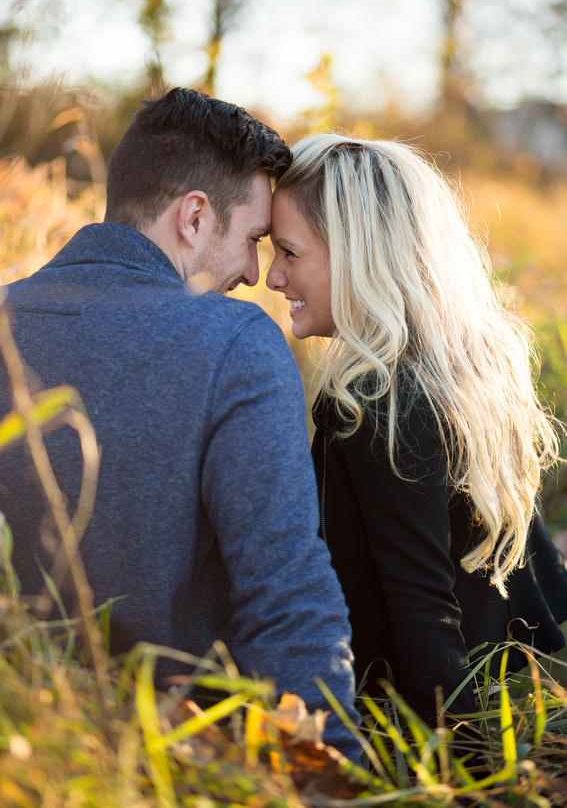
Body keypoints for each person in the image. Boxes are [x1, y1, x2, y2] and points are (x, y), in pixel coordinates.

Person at [0, 90, 360, 759]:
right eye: (251, 240)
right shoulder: (233, 343)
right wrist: (331, 771)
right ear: (193, 216)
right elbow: (284, 586)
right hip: (181, 765)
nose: (255, 272)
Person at [266, 132, 567, 729]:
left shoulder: (371, 402)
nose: (271, 277)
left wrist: (468, 778)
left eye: (290, 253)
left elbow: (421, 610)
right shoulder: (465, 370)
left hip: (424, 730)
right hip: (511, 703)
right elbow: (539, 578)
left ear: (359, 257)